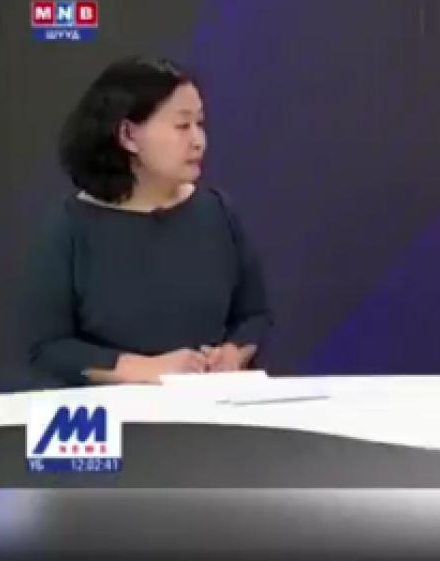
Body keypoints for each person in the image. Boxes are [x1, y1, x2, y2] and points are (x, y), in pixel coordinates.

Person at [23, 56, 273, 386]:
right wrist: (146, 369)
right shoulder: (71, 226)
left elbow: (254, 316)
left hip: (210, 405)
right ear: (128, 135)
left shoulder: (217, 212)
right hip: (112, 411)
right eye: (182, 126)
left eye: (200, 124)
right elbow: (48, 347)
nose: (198, 140)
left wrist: (233, 354)